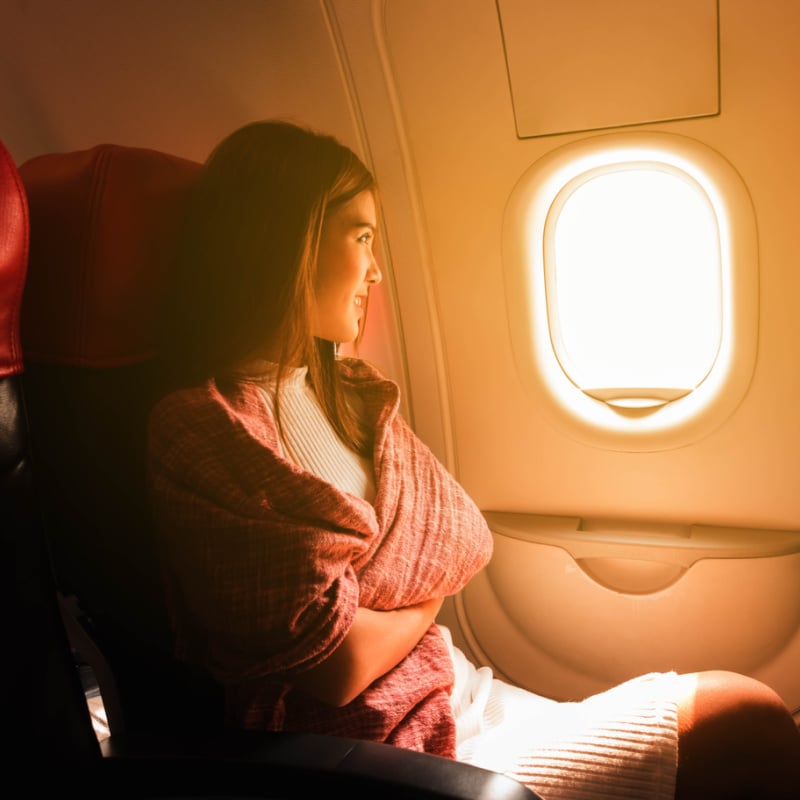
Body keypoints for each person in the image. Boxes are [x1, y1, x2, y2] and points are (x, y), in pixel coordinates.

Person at [146, 119, 800, 800]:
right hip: (373, 751)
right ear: (290, 240)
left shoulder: (348, 395)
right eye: (362, 236)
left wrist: (373, 600)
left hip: (456, 693)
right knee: (740, 715)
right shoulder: (202, 427)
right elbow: (333, 669)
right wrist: (421, 596)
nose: (375, 269)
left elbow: (463, 537)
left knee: (750, 723)